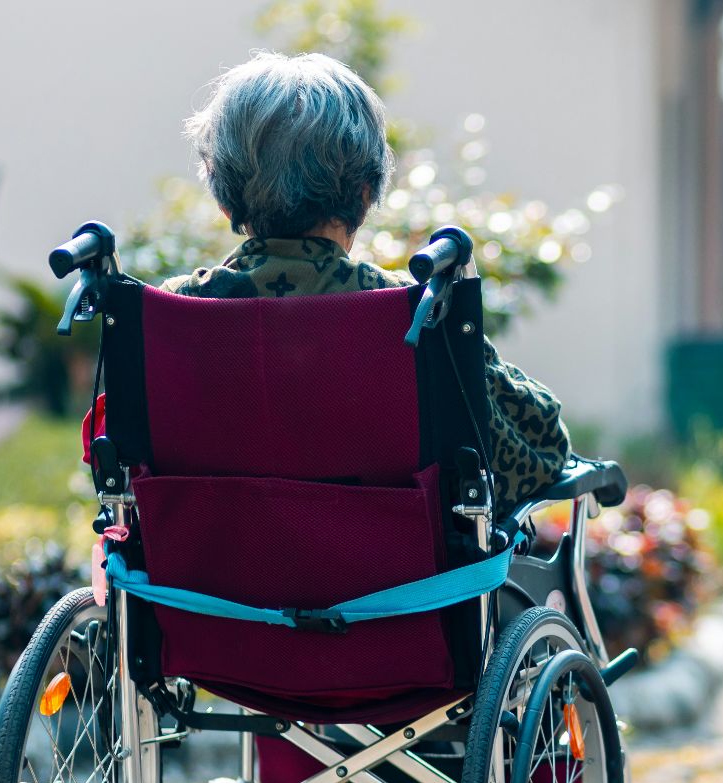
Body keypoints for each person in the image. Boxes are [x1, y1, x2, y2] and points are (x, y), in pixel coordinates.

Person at [165, 51, 571, 508]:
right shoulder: (414, 311)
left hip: (209, 574)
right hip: (395, 576)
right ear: (363, 195)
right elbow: (540, 449)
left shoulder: (171, 317)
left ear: (225, 199)